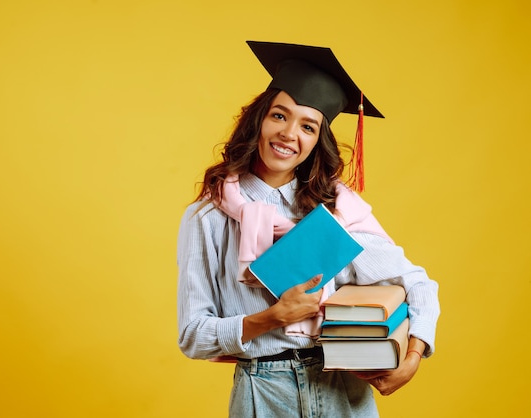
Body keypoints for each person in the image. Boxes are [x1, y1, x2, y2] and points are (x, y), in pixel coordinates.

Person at [177, 41, 440, 417]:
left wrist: (413, 355)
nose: (289, 134)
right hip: (263, 393)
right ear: (259, 120)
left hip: (342, 389)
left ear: (317, 141)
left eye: (308, 126)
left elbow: (417, 284)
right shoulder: (208, 217)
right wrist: (270, 318)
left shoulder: (336, 212)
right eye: (279, 116)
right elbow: (192, 336)